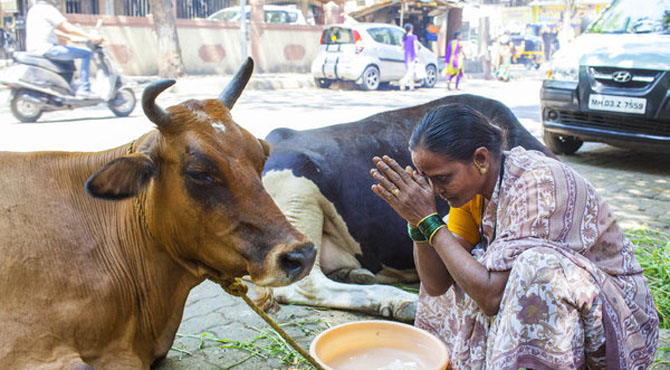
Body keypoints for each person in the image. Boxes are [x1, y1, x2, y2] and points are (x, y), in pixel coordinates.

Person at [369, 104, 658, 369]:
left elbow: (491, 296)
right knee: (450, 253)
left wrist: (429, 222)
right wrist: (418, 225)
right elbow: (436, 286)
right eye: (427, 179)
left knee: (535, 268)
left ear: (481, 159)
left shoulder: (540, 183)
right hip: (567, 308)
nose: (434, 190)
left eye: (442, 178)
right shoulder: (473, 192)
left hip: (617, 321)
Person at [26, 0, 103, 97]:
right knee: (86, 53)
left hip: (36, 49)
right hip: (47, 49)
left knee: (68, 59)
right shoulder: (48, 9)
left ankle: (68, 86)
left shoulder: (34, 10)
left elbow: (54, 30)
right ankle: (85, 88)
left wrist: (69, 37)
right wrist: (89, 36)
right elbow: (66, 27)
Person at [399, 23, 418, 91]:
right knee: (410, 72)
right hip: (412, 56)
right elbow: (416, 47)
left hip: (406, 56)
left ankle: (411, 87)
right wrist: (418, 56)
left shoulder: (404, 38)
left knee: (410, 72)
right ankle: (402, 82)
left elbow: (402, 48)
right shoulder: (414, 37)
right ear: (411, 29)